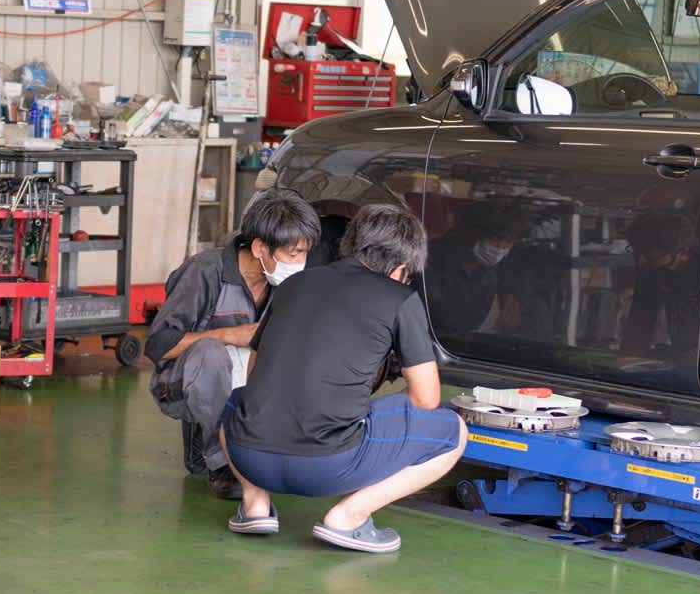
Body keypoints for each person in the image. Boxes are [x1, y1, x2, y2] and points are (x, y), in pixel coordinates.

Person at [220, 203, 467, 555]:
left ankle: (255, 502)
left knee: (236, 399)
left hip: (250, 456)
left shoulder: (295, 284)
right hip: (327, 469)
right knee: (452, 432)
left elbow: (256, 372)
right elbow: (425, 400)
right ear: (401, 268)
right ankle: (348, 517)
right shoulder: (401, 298)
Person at [145, 189, 320, 499]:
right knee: (211, 353)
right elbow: (159, 345)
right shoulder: (204, 271)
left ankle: (261, 449)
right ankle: (222, 462)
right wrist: (227, 335)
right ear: (259, 248)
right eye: (293, 254)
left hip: (245, 379)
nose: (300, 263)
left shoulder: (287, 285)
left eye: (305, 253)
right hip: (180, 381)